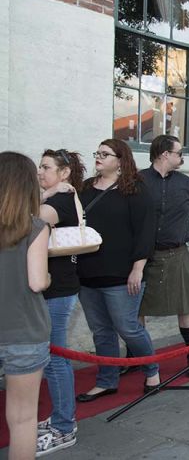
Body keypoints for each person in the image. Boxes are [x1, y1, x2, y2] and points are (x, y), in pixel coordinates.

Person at [77, 139, 160, 402]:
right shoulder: (86, 188)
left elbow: (145, 233)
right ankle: (106, 380)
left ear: (121, 160)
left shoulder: (135, 190)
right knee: (101, 330)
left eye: (105, 154)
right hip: (88, 273)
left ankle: (152, 370)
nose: (98, 157)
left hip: (122, 273)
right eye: (97, 153)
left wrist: (138, 269)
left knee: (128, 327)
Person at [139, 135, 189, 377]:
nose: (182, 157)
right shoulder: (139, 180)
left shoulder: (186, 183)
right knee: (137, 308)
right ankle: (137, 356)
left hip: (177, 252)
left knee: (185, 306)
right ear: (164, 154)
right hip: (144, 255)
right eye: (179, 153)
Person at [0, 152, 50, 460]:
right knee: (22, 419)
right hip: (25, 332)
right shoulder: (35, 227)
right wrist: (47, 274)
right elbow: (36, 282)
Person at [35, 149, 85, 455]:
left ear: (64, 172)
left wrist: (51, 193)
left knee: (55, 359)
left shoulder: (61, 201)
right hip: (52, 288)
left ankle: (65, 427)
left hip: (59, 289)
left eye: (46, 167)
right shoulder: (54, 196)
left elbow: (27, 220)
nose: (40, 172)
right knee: (53, 357)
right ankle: (60, 417)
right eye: (39, 166)